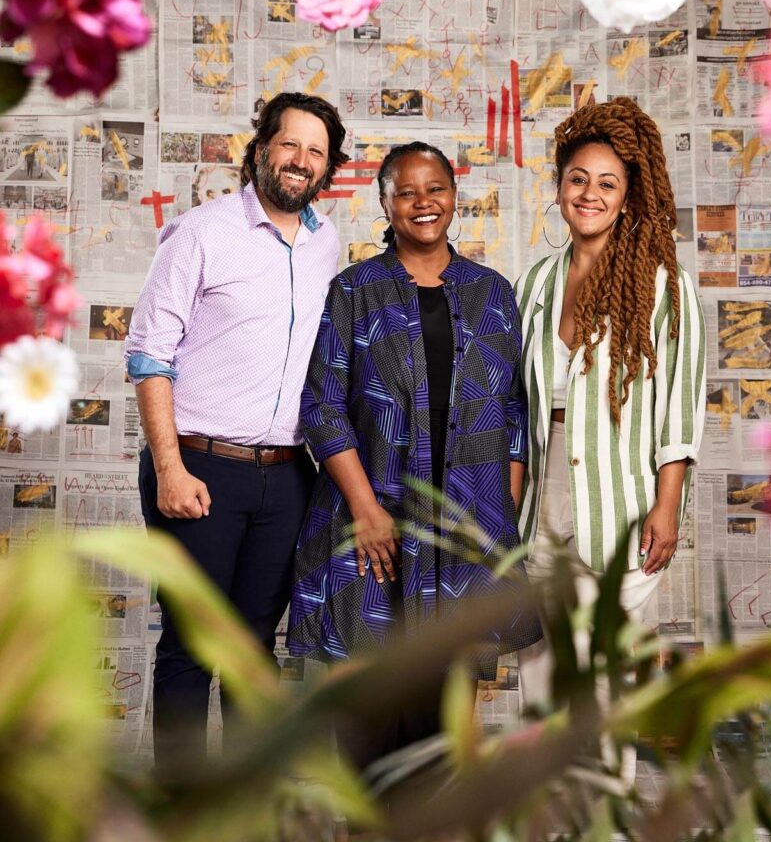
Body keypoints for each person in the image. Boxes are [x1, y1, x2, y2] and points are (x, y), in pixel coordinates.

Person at [288, 141, 540, 766]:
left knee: (444, 706)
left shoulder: (492, 293)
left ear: (454, 197)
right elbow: (322, 405)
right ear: (385, 203)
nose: (422, 203)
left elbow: (511, 409)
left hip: (462, 536)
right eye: (406, 191)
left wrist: (497, 513)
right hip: (373, 525)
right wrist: (368, 511)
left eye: (435, 189)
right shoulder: (355, 291)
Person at [124, 92, 348, 772]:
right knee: (191, 648)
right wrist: (168, 468)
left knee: (255, 650)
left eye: (315, 151)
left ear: (328, 166)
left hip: (286, 476)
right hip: (198, 466)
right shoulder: (200, 232)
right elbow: (148, 354)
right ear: (260, 149)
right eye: (289, 144)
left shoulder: (326, 243)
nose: (300, 160)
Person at [515, 97, 706, 705]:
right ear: (559, 187)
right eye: (578, 179)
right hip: (543, 495)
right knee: (542, 667)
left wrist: (668, 504)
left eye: (607, 183)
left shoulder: (665, 287)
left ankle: (606, 796)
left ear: (629, 194)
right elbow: (517, 403)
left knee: (605, 676)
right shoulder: (533, 284)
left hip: (622, 499)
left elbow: (680, 404)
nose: (590, 194)